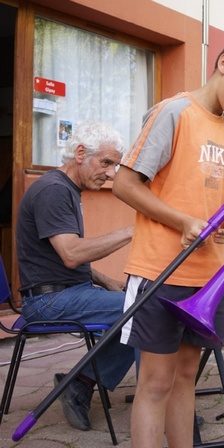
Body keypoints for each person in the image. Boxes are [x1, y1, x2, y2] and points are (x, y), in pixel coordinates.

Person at [112, 35, 224, 447]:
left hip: (209, 275)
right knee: (155, 383)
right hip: (159, 269)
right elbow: (125, 183)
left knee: (187, 378)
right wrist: (182, 220)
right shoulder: (174, 112)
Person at [16, 122, 135, 432]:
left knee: (140, 303)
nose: (111, 173)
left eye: (115, 165)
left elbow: (63, 259)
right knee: (143, 310)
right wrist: (132, 231)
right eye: (106, 163)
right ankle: (82, 383)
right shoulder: (53, 190)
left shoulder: (66, 189)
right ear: (80, 153)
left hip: (64, 290)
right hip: (46, 301)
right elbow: (72, 254)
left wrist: (108, 282)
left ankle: (82, 381)